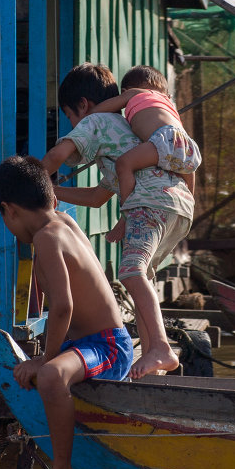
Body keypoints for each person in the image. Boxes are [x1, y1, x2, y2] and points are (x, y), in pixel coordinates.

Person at [0, 155, 133, 469]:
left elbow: (63, 308)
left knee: (51, 376)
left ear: (9, 210)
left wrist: (44, 359)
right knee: (44, 383)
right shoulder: (63, 221)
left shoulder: (47, 237)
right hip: (89, 345)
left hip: (109, 347)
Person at [41, 63, 195, 380]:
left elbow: (57, 156)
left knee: (131, 271)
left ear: (82, 105)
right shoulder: (125, 133)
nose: (72, 124)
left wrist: (36, 186)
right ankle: (153, 352)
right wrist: (56, 192)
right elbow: (98, 196)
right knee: (143, 278)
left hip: (151, 203)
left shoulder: (96, 121)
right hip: (176, 207)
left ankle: (161, 348)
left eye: (70, 116)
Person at [89, 64, 201, 243]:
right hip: (186, 146)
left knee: (124, 164)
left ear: (127, 90)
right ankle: (189, 204)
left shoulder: (134, 93)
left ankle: (128, 213)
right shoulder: (167, 102)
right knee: (186, 173)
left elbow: (96, 111)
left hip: (164, 140)